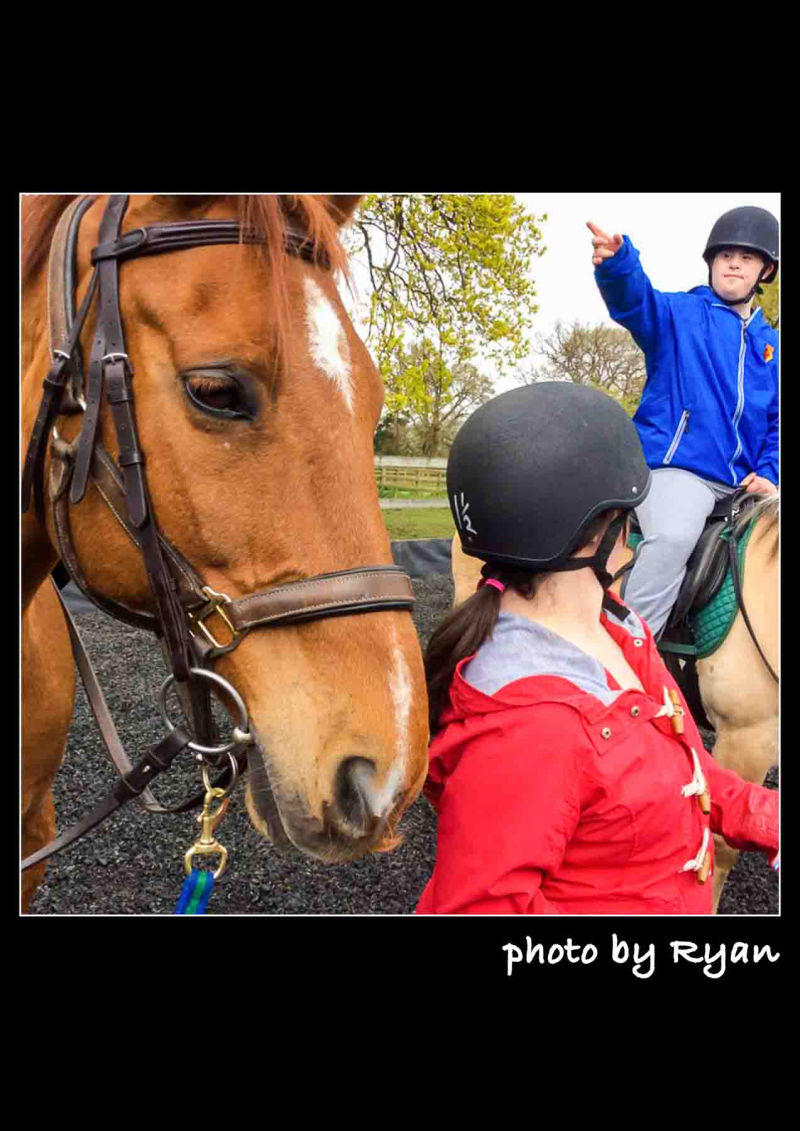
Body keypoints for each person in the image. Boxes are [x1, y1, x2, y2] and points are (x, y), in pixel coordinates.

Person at [416, 382, 778, 915]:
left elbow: (692, 773)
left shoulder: (622, 629)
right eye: (633, 515)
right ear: (606, 533)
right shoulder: (531, 726)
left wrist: (769, 819)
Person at [588, 206, 779, 638]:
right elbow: (635, 301)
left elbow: (776, 423)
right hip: (680, 472)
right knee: (673, 538)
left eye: (746, 257)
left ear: (765, 270)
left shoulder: (772, 347)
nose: (734, 263)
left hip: (745, 484)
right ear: (711, 262)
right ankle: (628, 653)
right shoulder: (680, 314)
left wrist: (770, 474)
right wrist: (619, 266)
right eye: (725, 255)